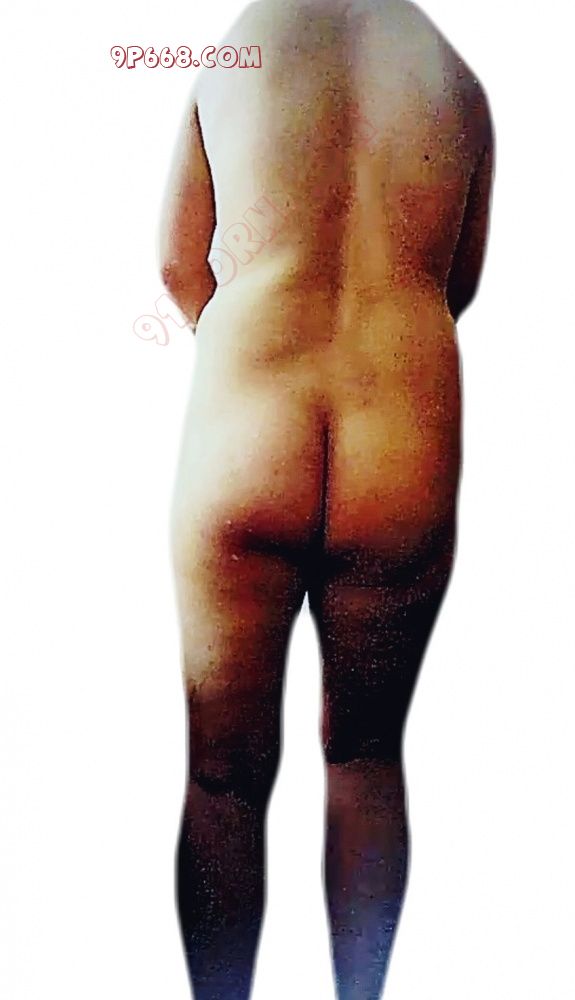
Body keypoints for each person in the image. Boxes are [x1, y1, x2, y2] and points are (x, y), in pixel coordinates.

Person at [160, 0, 494, 996]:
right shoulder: (455, 82)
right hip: (401, 437)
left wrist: (256, 357)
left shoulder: (234, 55)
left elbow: (179, 264)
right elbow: (455, 283)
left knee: (222, 779)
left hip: (247, 431)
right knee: (363, 758)